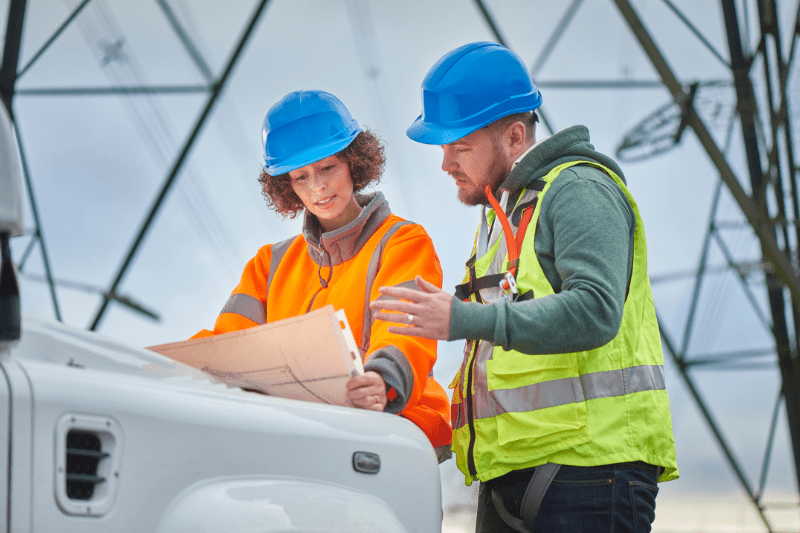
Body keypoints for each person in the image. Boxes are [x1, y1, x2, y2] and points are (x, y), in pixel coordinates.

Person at [370, 42, 678, 531]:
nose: (446, 164)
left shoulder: (578, 189)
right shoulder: (503, 217)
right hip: (517, 472)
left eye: (459, 146)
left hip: (589, 476)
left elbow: (596, 311)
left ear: (515, 136)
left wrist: (462, 318)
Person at [192, 90, 452, 462]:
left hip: (388, 440)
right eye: (300, 177)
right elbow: (227, 346)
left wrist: (383, 380)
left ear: (353, 163)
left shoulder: (402, 242)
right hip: (299, 443)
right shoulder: (269, 264)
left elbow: (404, 330)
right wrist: (172, 368)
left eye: (328, 168)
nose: (317, 187)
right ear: (287, 186)